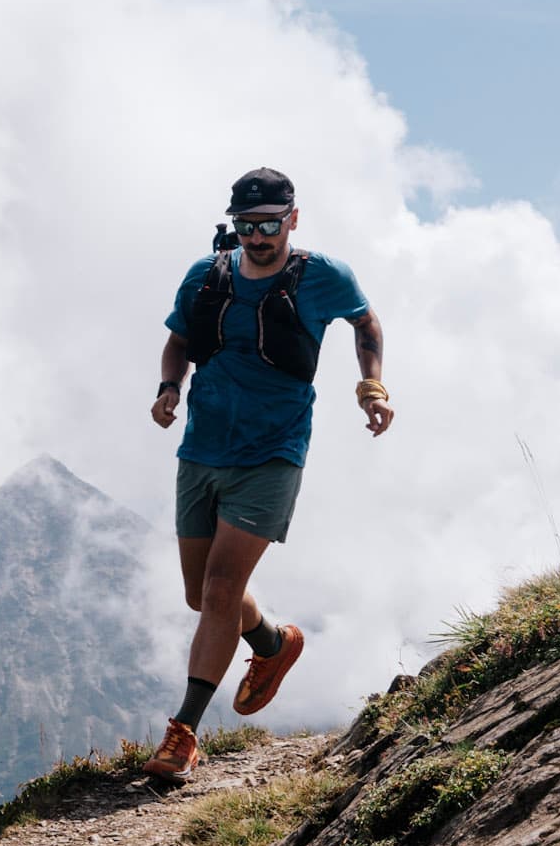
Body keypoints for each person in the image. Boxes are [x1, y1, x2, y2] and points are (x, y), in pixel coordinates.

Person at [141, 167, 393, 780]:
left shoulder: (321, 276)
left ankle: (183, 735)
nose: (258, 237)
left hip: (273, 453)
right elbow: (177, 340)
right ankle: (275, 646)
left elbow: (366, 323)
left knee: (221, 592)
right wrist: (170, 388)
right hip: (203, 448)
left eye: (269, 225)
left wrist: (372, 385)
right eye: (247, 226)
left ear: (293, 219)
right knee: (201, 595)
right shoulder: (207, 277)